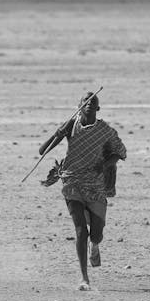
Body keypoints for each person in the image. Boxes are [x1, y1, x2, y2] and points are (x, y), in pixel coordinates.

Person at [39, 91, 126, 290]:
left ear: (97, 108)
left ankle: (95, 246)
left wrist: (104, 166)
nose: (88, 104)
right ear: (79, 106)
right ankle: (84, 278)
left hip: (95, 185)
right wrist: (58, 133)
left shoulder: (104, 130)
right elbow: (42, 151)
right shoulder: (71, 126)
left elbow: (120, 152)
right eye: (84, 101)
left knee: (96, 234)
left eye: (92, 101)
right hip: (72, 182)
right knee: (80, 230)